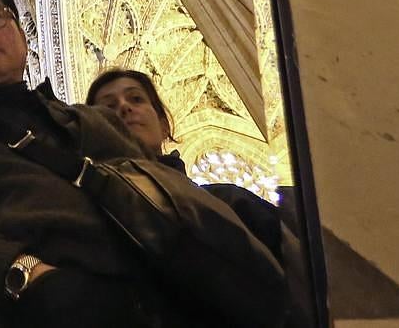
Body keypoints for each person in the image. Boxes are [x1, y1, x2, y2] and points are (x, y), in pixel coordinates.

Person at [0, 0, 214, 328]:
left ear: (22, 36)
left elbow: (158, 190)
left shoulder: (96, 121)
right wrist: (27, 273)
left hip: (167, 295)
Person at [87, 69, 313, 327]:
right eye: (108, 107)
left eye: (136, 99)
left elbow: (306, 276)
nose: (125, 108)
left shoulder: (228, 201)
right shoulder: (90, 221)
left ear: (164, 126)